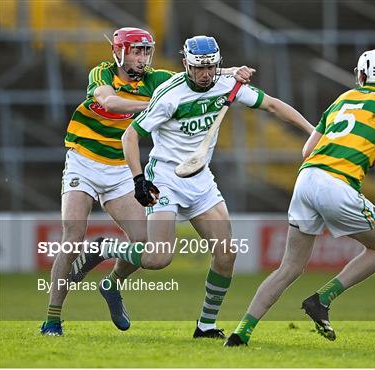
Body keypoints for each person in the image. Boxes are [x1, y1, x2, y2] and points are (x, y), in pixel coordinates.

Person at [75, 35, 314, 339]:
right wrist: (138, 180)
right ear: (185, 64)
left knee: (227, 254)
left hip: (200, 181)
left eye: (211, 68)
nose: (205, 74)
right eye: (199, 68)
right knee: (158, 258)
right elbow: (130, 137)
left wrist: (313, 131)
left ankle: (205, 326)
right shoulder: (169, 95)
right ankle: (104, 248)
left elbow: (271, 105)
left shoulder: (227, 86)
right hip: (165, 179)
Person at [40, 27, 255, 336]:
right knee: (73, 236)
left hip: (120, 170)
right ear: (119, 52)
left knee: (145, 244)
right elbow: (110, 102)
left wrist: (229, 71)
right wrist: (158, 107)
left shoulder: (155, 80)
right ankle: (52, 318)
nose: (143, 58)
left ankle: (112, 284)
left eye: (146, 51)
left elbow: (193, 77)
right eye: (136, 51)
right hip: (83, 161)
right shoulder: (101, 74)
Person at [224, 49, 375, 347]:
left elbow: (307, 151)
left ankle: (240, 333)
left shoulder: (343, 99)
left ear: (361, 74)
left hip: (306, 179)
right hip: (336, 184)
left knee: (289, 267)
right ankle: (322, 299)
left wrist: (356, 150)